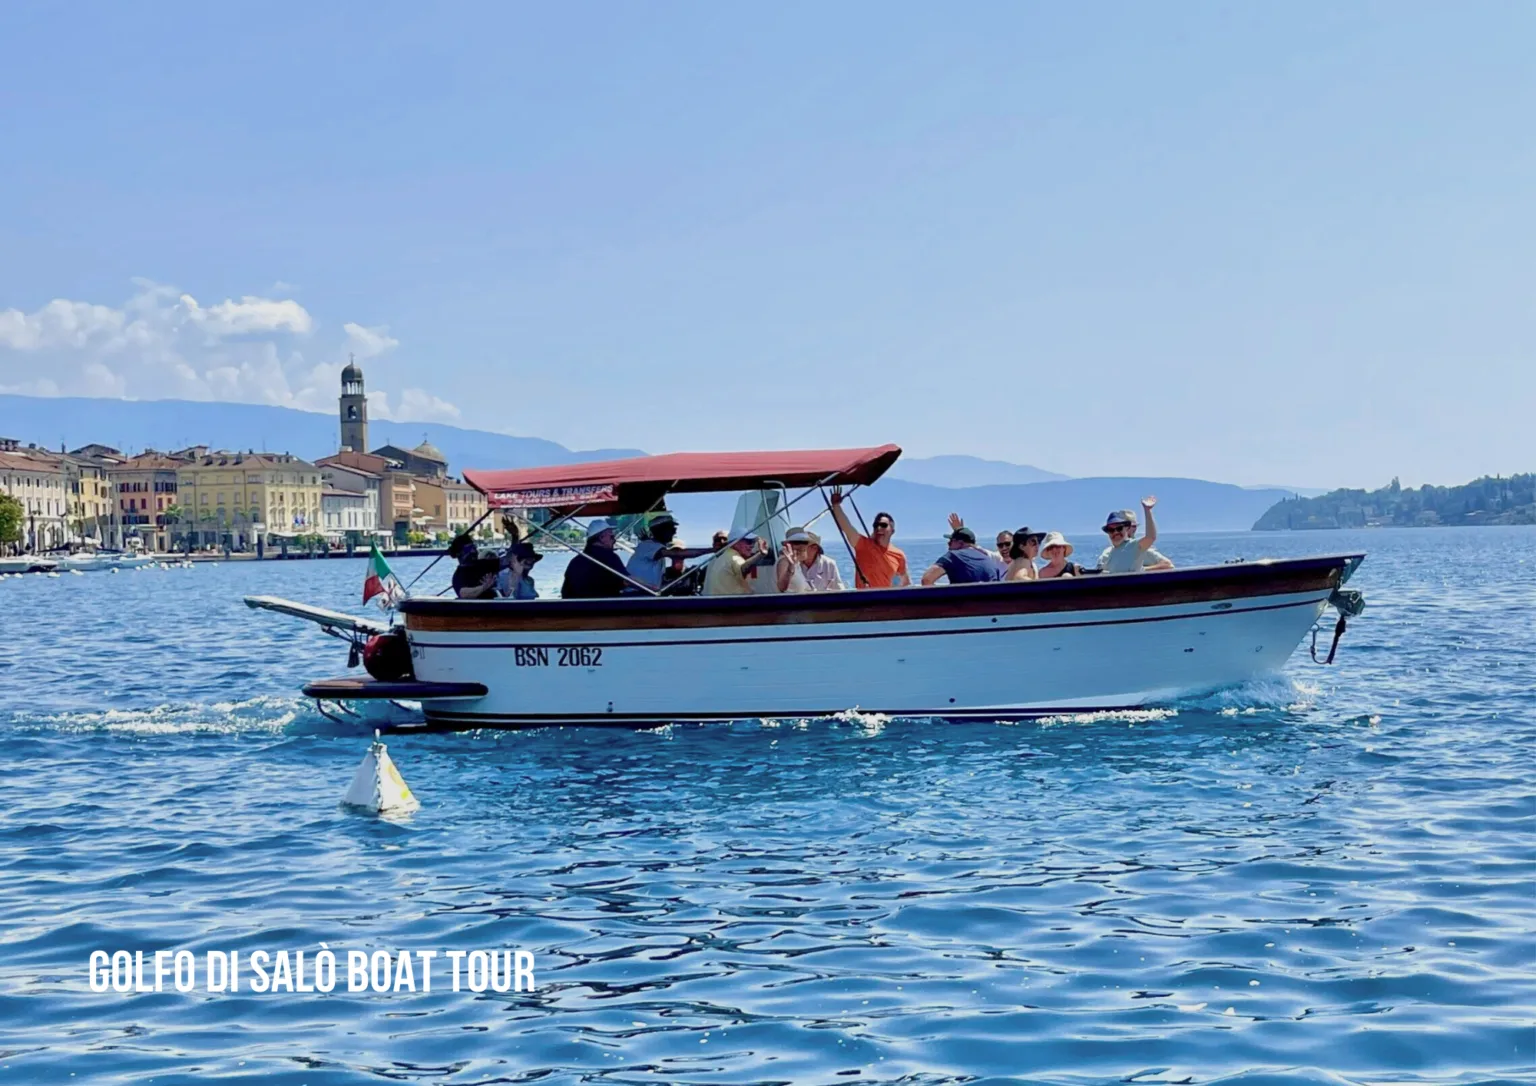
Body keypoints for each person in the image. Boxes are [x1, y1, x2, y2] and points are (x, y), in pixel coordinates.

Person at [828, 487, 909, 589]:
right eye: (876, 525)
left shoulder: (899, 555)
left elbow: (905, 583)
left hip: (886, 601)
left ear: (892, 531)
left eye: (883, 525)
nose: (879, 528)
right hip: (864, 600)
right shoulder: (863, 545)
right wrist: (836, 506)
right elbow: (847, 528)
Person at [626, 513, 714, 592]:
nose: (674, 532)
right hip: (636, 593)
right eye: (672, 529)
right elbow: (678, 554)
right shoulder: (648, 545)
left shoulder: (650, 547)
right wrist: (712, 550)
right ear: (661, 531)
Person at [1096, 497, 1173, 573]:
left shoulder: (1134, 546)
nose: (1115, 532)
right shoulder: (1107, 554)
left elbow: (1150, 537)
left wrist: (1147, 510)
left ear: (1127, 528)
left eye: (1119, 528)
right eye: (1111, 530)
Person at [560, 519, 633, 598]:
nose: (614, 540)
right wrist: (648, 586)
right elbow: (627, 581)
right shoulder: (610, 557)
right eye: (611, 537)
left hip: (572, 608)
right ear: (601, 538)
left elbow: (565, 592)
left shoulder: (574, 562)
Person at [921, 525, 1007, 585]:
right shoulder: (988, 560)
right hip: (989, 608)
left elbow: (927, 579)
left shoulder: (953, 556)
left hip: (962, 609)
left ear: (960, 543)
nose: (948, 545)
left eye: (951, 541)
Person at [703, 531, 776, 596]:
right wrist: (761, 554)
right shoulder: (733, 557)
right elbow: (743, 568)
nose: (752, 546)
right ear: (735, 544)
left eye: (753, 542)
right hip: (734, 606)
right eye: (749, 542)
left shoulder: (725, 556)